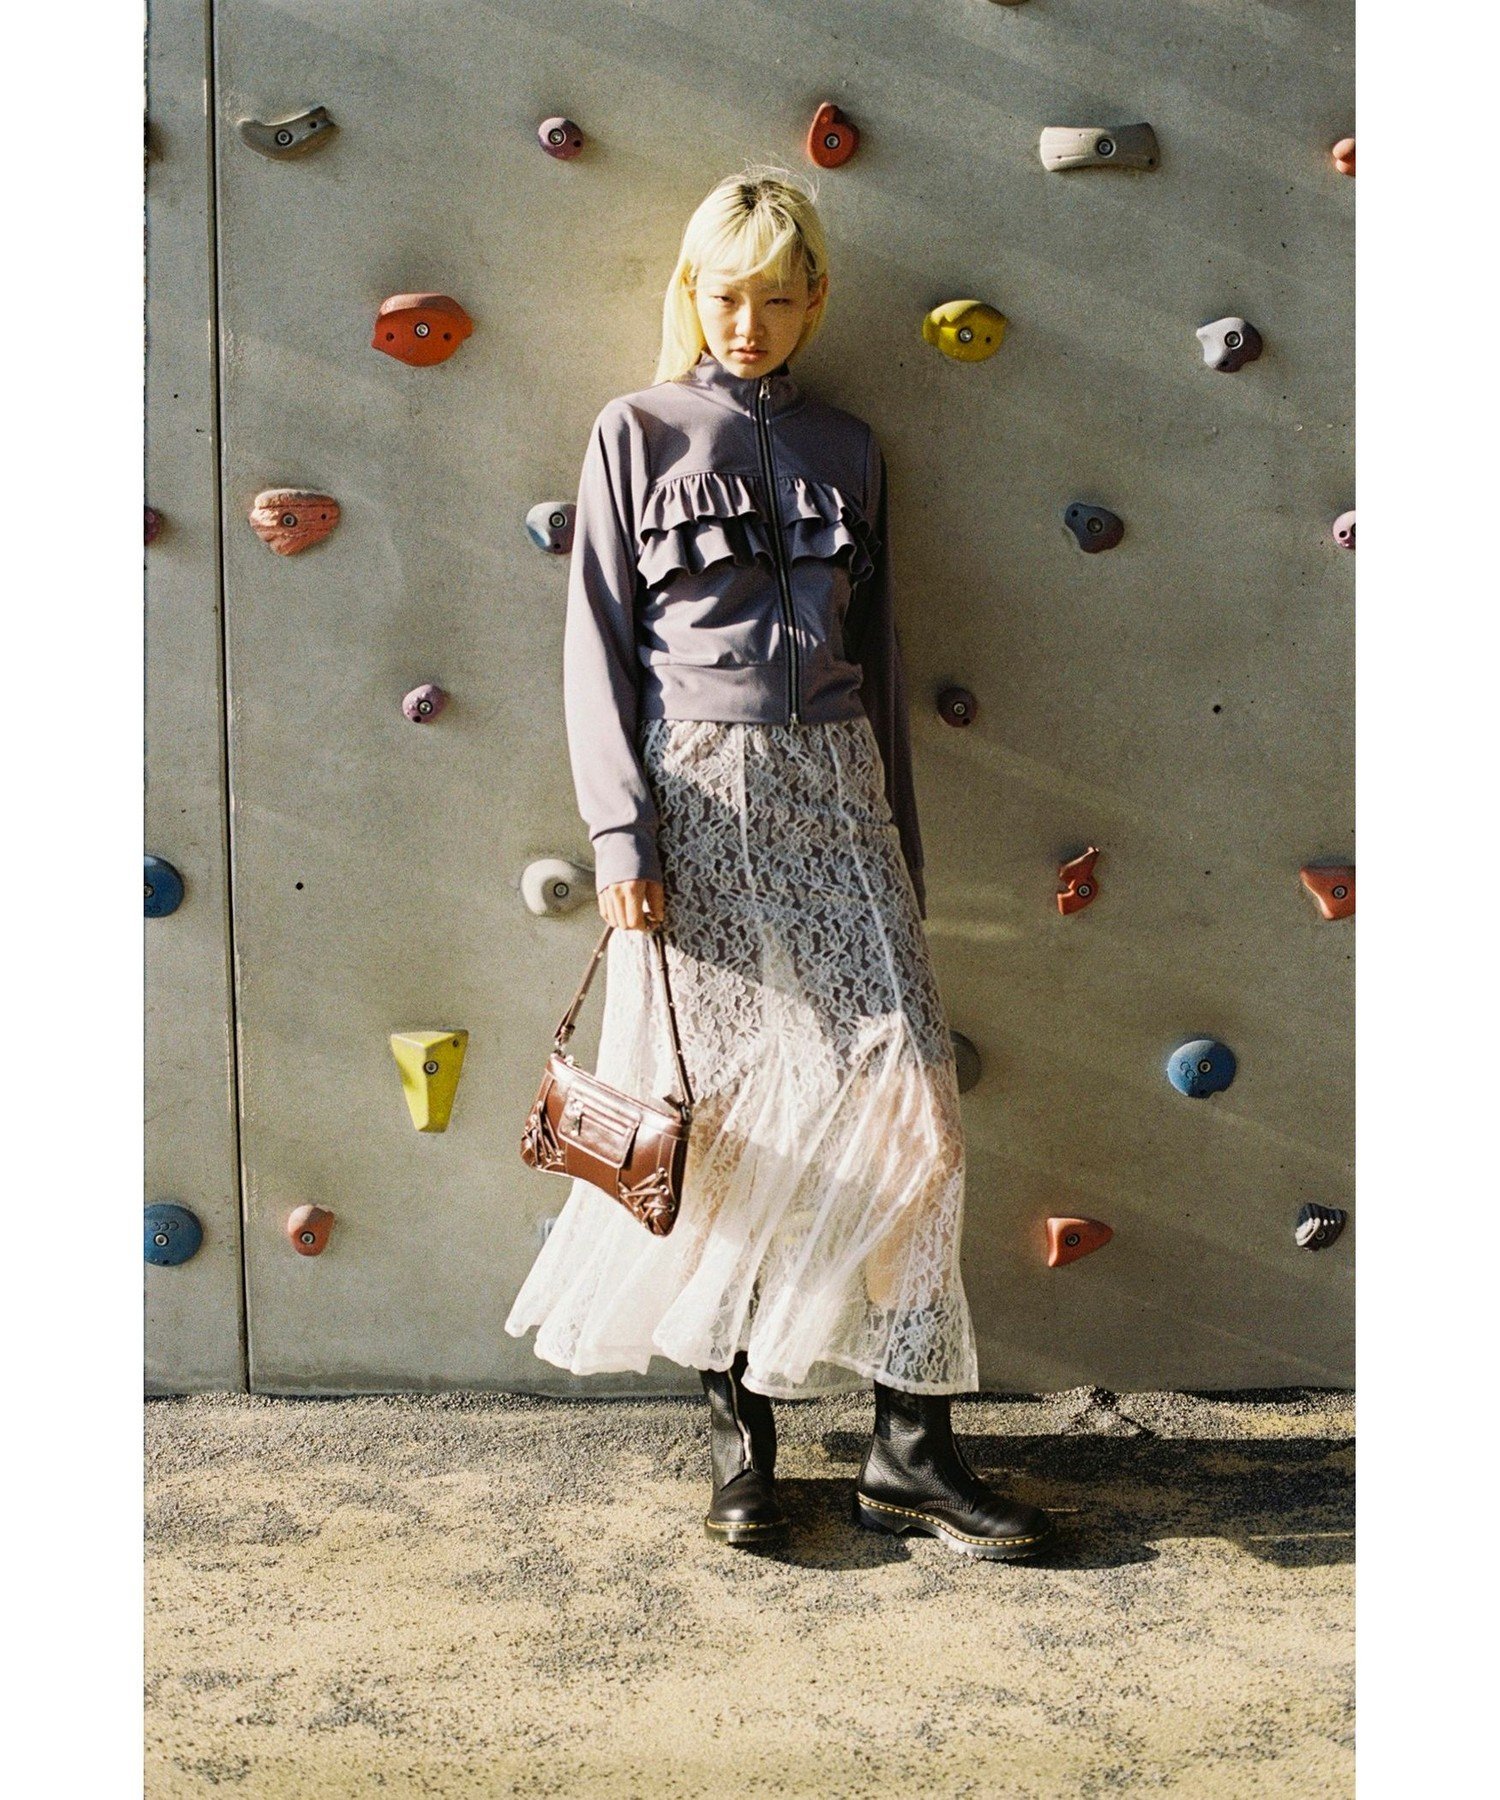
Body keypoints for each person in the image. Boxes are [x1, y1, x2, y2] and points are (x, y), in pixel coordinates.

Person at [505, 164, 1055, 1563]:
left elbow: (885, 659)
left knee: (916, 1113)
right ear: (692, 293)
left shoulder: (852, 448)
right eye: (723, 295)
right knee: (724, 1121)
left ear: (815, 302)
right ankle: (737, 1442)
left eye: (774, 298)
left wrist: (898, 851)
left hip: (839, 801)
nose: (746, 323)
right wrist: (620, 834)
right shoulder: (635, 432)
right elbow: (595, 648)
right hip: (694, 804)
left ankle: (909, 1448)